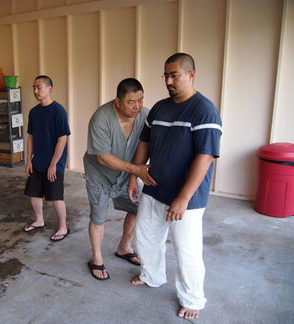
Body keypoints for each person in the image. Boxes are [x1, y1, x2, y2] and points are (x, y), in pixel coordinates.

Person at [128, 53, 222, 319]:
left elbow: (205, 158)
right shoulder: (159, 108)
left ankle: (192, 299)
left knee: (187, 250)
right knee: (145, 238)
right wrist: (133, 175)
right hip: (155, 187)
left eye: (174, 75)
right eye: (165, 75)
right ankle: (152, 276)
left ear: (190, 75)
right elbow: (144, 142)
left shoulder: (204, 109)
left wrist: (183, 198)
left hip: (186, 198)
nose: (168, 80)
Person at [84, 78, 154, 280]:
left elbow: (145, 148)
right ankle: (96, 258)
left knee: (138, 208)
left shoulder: (144, 116)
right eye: (131, 102)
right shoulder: (101, 118)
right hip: (100, 175)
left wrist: (133, 177)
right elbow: (102, 157)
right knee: (98, 215)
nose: (137, 106)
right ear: (118, 101)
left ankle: (124, 247)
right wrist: (136, 170)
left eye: (140, 100)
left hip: (126, 175)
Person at [23, 75, 71, 242]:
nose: (36, 91)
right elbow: (31, 137)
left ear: (49, 89)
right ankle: (39, 220)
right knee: (34, 192)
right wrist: (28, 160)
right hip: (38, 160)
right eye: (34, 88)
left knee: (55, 195)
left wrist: (53, 164)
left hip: (54, 162)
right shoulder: (34, 112)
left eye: (39, 87)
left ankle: (63, 227)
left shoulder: (58, 111)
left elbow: (62, 139)